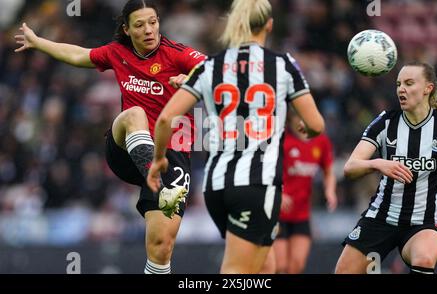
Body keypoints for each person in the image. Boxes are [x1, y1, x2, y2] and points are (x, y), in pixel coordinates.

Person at [15, 0, 205, 274]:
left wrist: (190, 81)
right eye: (140, 25)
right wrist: (38, 42)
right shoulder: (118, 52)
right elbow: (79, 55)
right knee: (133, 114)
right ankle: (157, 182)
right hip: (127, 149)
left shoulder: (177, 54)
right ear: (126, 29)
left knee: (162, 245)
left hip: (171, 153)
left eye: (153, 22)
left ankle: (158, 187)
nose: (149, 30)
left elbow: (210, 70)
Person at [147, 0, 325, 274]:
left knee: (266, 268)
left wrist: (159, 159)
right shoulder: (282, 65)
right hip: (256, 186)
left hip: (216, 187)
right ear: (269, 24)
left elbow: (166, 119)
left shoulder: (209, 66)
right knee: (237, 273)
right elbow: (315, 124)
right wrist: (307, 130)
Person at [335, 62, 437, 274]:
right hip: (380, 218)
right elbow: (350, 167)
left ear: (428, 88)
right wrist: (378, 164)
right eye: (398, 84)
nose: (401, 89)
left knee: (424, 258)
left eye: (409, 83)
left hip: (424, 223)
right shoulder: (385, 122)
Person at [262, 110, 337, 274]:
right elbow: (264, 171)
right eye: (298, 118)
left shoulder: (321, 142)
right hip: (277, 214)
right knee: (279, 266)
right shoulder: (281, 142)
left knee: (296, 266)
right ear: (290, 120)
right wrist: (278, 193)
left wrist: (330, 191)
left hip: (301, 214)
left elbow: (328, 170)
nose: (302, 123)